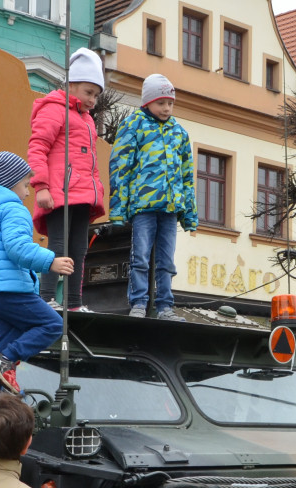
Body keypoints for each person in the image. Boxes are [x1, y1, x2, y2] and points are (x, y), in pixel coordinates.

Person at [0, 151, 73, 394]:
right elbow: (17, 248)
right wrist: (51, 261)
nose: (28, 192)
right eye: (25, 184)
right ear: (11, 183)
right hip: (10, 288)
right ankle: (6, 361)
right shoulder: (13, 209)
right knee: (53, 325)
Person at [109, 73, 197, 321]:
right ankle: (138, 302)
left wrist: (189, 214)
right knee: (140, 257)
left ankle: (165, 306)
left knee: (167, 260)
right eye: (161, 103)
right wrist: (118, 209)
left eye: (170, 103)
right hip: (143, 207)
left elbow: (187, 176)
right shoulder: (133, 125)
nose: (167, 108)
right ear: (147, 102)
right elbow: (120, 167)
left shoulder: (179, 133)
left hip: (170, 208)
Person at [28, 47, 106, 312]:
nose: (93, 100)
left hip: (83, 193)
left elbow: (91, 161)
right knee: (58, 245)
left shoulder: (87, 121)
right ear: (71, 85)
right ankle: (47, 296)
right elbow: (38, 147)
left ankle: (74, 302)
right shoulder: (54, 110)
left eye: (96, 95)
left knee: (79, 247)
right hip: (59, 192)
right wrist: (41, 186)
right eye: (88, 92)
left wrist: (96, 192)